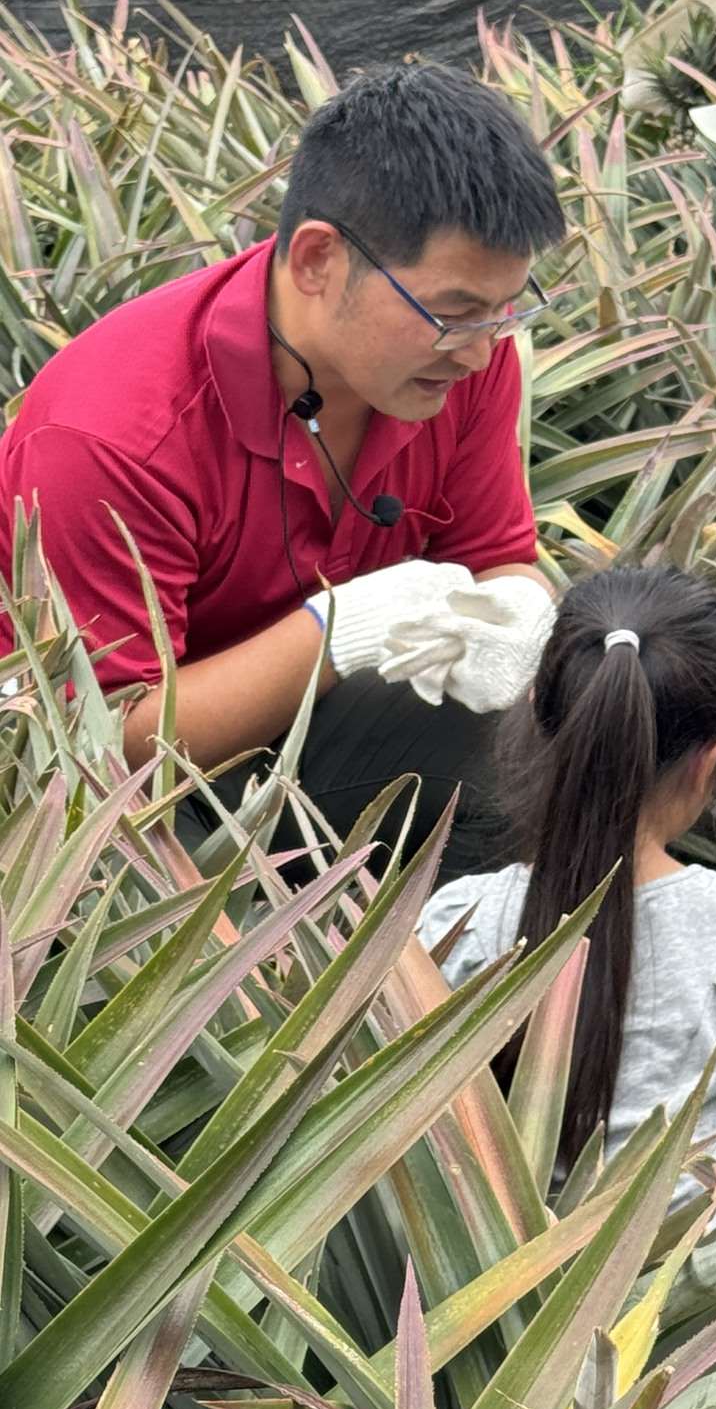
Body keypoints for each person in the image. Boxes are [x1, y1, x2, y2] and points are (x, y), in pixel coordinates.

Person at [0, 61, 566, 877]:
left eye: (505, 309)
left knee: (610, 739)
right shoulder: (113, 435)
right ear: (315, 260)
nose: (482, 349)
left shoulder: (459, 367)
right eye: (453, 313)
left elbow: (497, 556)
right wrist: (344, 629)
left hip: (316, 735)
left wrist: (519, 607)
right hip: (104, 806)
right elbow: (101, 742)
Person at [415, 564, 716, 1254]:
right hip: (693, 1326)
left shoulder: (454, 924)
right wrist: (708, 1087)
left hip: (501, 1311)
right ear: (712, 761)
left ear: (540, 718)